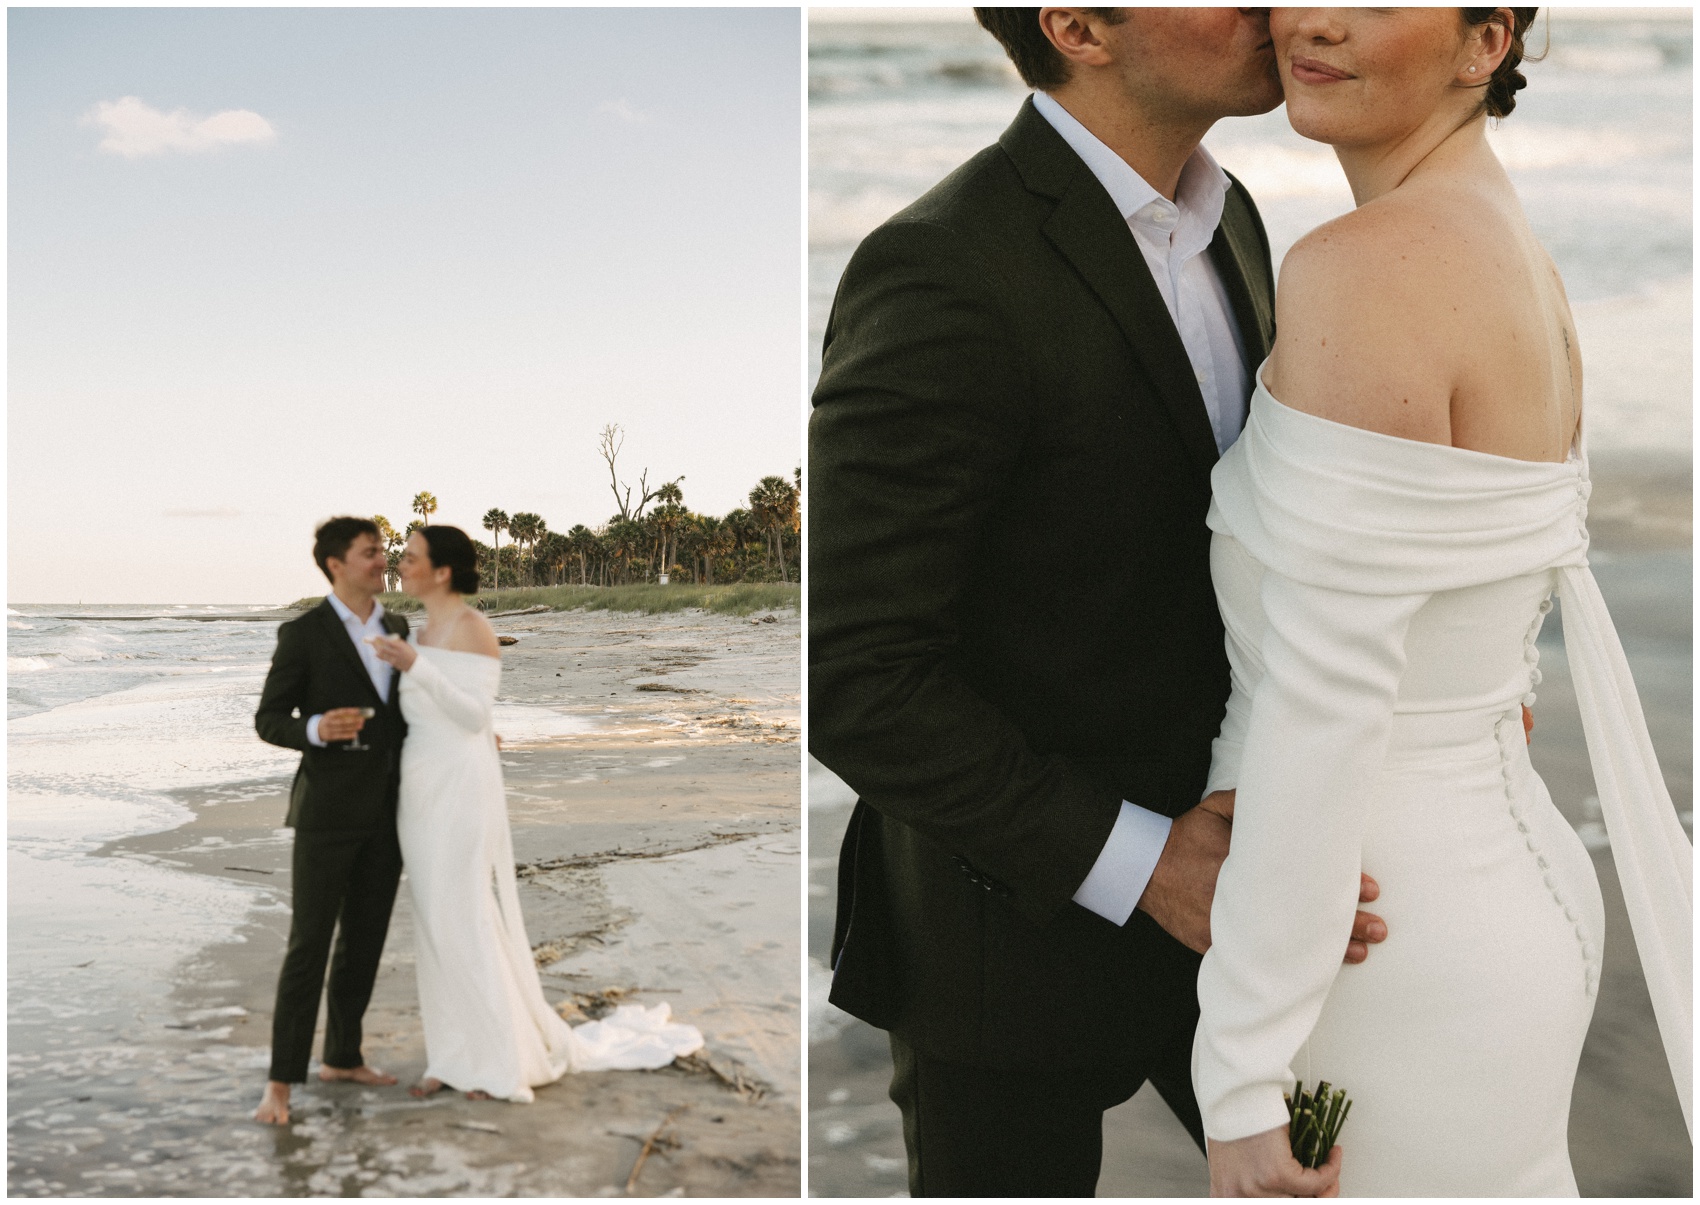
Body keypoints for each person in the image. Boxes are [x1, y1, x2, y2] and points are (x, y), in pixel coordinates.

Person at [809, 9, 1390, 1196]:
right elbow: (851, 676)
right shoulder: (941, 266)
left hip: (1248, 888)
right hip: (1005, 935)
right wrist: (1145, 863)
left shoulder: (1237, 223)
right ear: (1077, 26)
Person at [1194, 8, 1692, 1196]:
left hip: (1383, 945)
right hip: (1499, 883)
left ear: (1484, 43)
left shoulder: (1362, 270)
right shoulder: (1508, 246)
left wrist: (1241, 1072)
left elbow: (1325, 709)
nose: (1313, 18)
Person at [368, 526, 702, 1101]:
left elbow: (474, 717)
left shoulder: (473, 630)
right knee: (433, 922)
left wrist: (415, 666)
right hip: (418, 789)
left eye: (411, 556)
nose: (401, 564)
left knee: (467, 919)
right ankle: (451, 1057)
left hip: (462, 787)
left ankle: (496, 1059)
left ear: (442, 570)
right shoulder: (418, 631)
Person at [253, 517, 410, 1125]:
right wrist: (316, 728)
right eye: (371, 553)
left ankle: (343, 1056)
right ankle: (281, 1084)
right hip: (325, 814)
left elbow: (407, 717)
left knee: (364, 942)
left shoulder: (396, 626)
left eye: (382, 552)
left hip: (389, 812)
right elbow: (269, 719)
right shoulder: (303, 633)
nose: (382, 561)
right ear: (335, 563)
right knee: (309, 946)